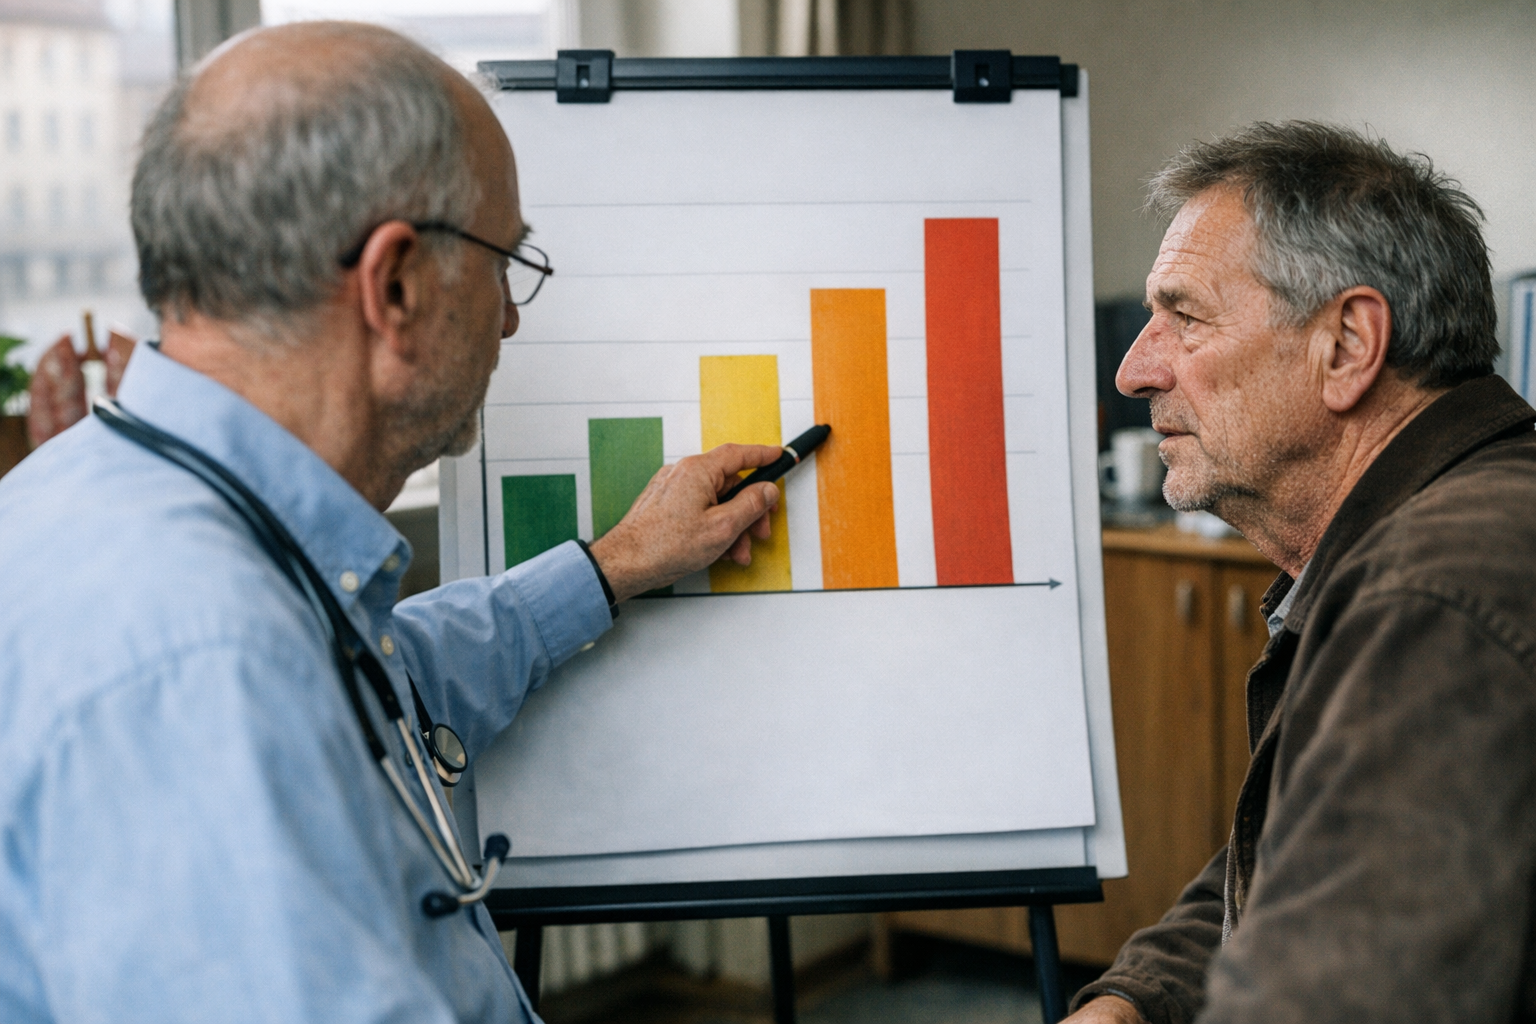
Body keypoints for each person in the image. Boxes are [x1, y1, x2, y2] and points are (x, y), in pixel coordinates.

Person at [0, 22, 785, 1023]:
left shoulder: (125, 500)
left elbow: (389, 675)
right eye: (506, 261)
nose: (510, 317)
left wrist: (616, 562)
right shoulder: (199, 670)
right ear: (397, 286)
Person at [1064, 121, 1536, 1024]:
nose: (1132, 370)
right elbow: (1291, 857)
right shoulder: (1433, 536)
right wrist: (1132, 1000)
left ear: (1348, 345)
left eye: (1185, 316)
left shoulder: (1435, 598)